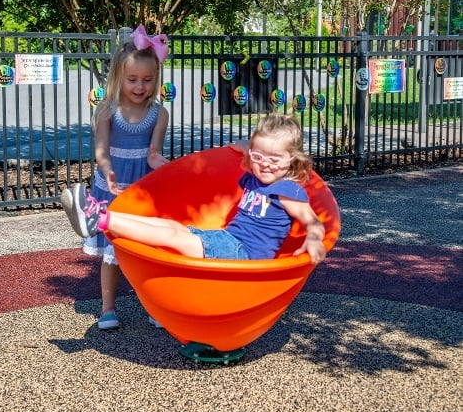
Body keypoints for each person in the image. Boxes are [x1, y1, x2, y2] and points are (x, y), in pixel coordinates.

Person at [61, 113, 326, 268]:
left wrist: (314, 239)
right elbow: (243, 144)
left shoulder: (287, 189)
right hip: (226, 241)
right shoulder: (256, 175)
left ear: (292, 159)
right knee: (173, 227)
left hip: (243, 253)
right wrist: (250, 149)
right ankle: (100, 214)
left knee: (174, 239)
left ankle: (100, 220)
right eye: (258, 157)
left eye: (275, 159)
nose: (265, 165)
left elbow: (312, 221)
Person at [61, 25, 169, 330]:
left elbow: (153, 151)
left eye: (147, 80)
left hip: (142, 189)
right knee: (111, 254)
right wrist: (107, 170)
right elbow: (101, 151)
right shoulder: (107, 110)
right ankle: (108, 309)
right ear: (118, 78)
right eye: (132, 79)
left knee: (147, 252)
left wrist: (158, 161)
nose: (139, 86)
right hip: (112, 187)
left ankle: (153, 305)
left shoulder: (159, 114)